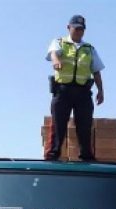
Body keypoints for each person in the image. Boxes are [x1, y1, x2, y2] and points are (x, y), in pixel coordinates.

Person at [44, 15, 105, 161]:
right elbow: (53, 53)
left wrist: (101, 90)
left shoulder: (89, 49)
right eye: (76, 28)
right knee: (58, 124)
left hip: (83, 92)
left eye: (81, 29)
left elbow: (96, 71)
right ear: (69, 28)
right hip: (63, 91)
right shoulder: (60, 42)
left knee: (85, 124)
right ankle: (53, 154)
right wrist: (56, 60)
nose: (78, 31)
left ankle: (86, 155)